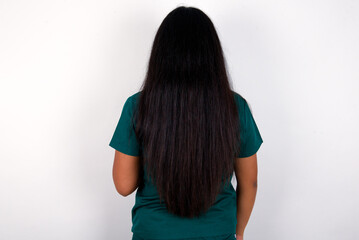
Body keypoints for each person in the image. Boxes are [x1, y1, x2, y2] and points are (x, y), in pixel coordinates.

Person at [109, 6, 263, 240]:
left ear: (161, 54)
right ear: (212, 55)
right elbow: (249, 182)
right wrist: (238, 233)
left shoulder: (137, 106)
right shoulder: (235, 107)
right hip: (217, 233)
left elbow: (123, 185)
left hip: (153, 233)